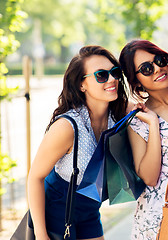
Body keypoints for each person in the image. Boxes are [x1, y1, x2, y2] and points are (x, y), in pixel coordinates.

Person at [27, 45, 128, 240]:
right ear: (82, 85)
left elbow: (154, 103)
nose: (112, 79)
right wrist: (41, 234)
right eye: (101, 75)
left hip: (89, 210)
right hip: (56, 211)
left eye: (115, 72)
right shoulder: (67, 127)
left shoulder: (117, 117)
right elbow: (35, 177)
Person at [119, 39, 168, 240]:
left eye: (159, 60)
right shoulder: (139, 120)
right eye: (147, 68)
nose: (158, 68)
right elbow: (149, 177)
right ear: (136, 80)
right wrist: (153, 125)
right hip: (160, 219)